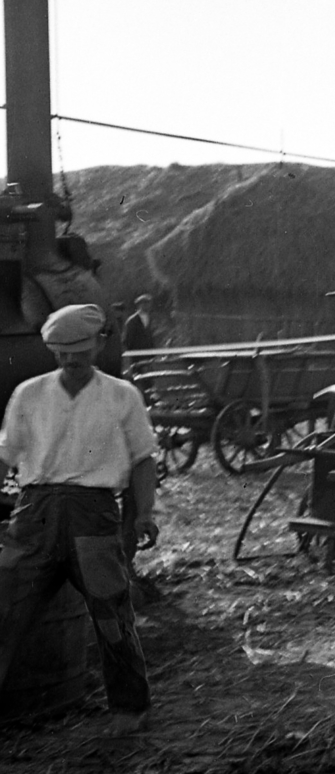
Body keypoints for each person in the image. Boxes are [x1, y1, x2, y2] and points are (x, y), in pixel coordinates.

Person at [0, 304, 159, 734]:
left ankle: (130, 709)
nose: (71, 360)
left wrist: (144, 513)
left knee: (112, 615)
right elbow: (5, 456)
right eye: (62, 352)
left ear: (99, 344)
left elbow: (144, 459)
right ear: (51, 350)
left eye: (80, 351)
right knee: (4, 605)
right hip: (34, 516)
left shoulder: (122, 396)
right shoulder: (28, 394)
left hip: (94, 517)